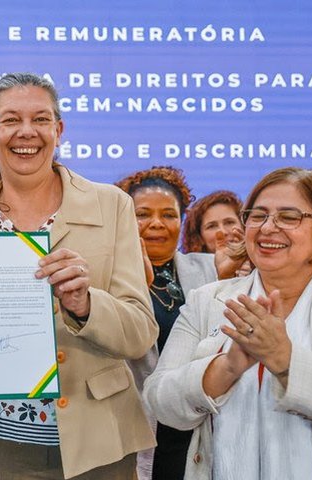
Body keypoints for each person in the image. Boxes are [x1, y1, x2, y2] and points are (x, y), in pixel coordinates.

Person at [0, 73, 158, 480]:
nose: (27, 132)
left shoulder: (112, 205)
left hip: (97, 444)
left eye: (41, 120)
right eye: (11, 120)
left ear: (58, 131)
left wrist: (86, 304)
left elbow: (140, 333)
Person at [144, 167, 312, 479]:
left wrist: (286, 361)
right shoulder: (208, 300)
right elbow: (158, 401)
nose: (268, 227)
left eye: (289, 217)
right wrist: (225, 368)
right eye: (257, 215)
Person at [115, 166, 218, 480]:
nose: (156, 224)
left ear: (182, 220)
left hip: (194, 430)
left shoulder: (210, 270)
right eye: (142, 214)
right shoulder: (109, 275)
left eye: (169, 215)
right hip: (129, 429)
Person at [182, 190, 252, 278]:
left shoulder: (265, 266)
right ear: (199, 237)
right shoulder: (188, 277)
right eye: (212, 226)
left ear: (243, 225)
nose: (223, 231)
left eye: (229, 222)